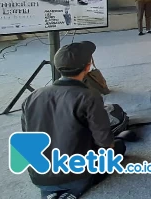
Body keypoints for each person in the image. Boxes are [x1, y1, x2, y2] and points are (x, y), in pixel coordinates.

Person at [21, 42, 128, 199]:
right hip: (77, 175)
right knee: (119, 146)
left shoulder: (32, 96)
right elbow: (105, 142)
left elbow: (26, 137)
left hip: (38, 177)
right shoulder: (89, 96)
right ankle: (77, 187)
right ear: (88, 66)